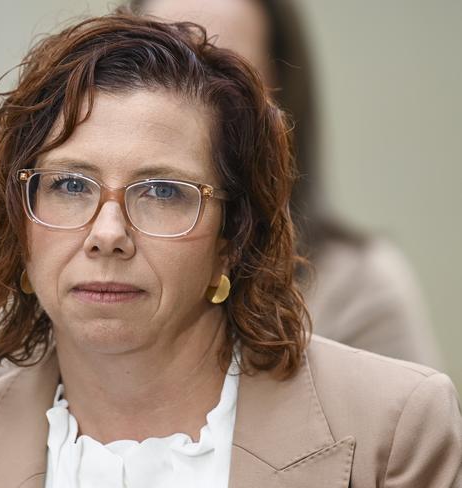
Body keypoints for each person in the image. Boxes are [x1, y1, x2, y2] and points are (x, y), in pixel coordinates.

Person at [0, 13, 462, 488]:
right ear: (19, 220)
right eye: (70, 185)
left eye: (162, 191)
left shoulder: (395, 427)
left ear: (233, 237)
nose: (107, 233)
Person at [128, 0, 443, 367]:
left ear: (276, 94)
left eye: (220, 67)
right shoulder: (82, 254)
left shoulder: (358, 284)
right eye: (154, 59)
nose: (178, 94)